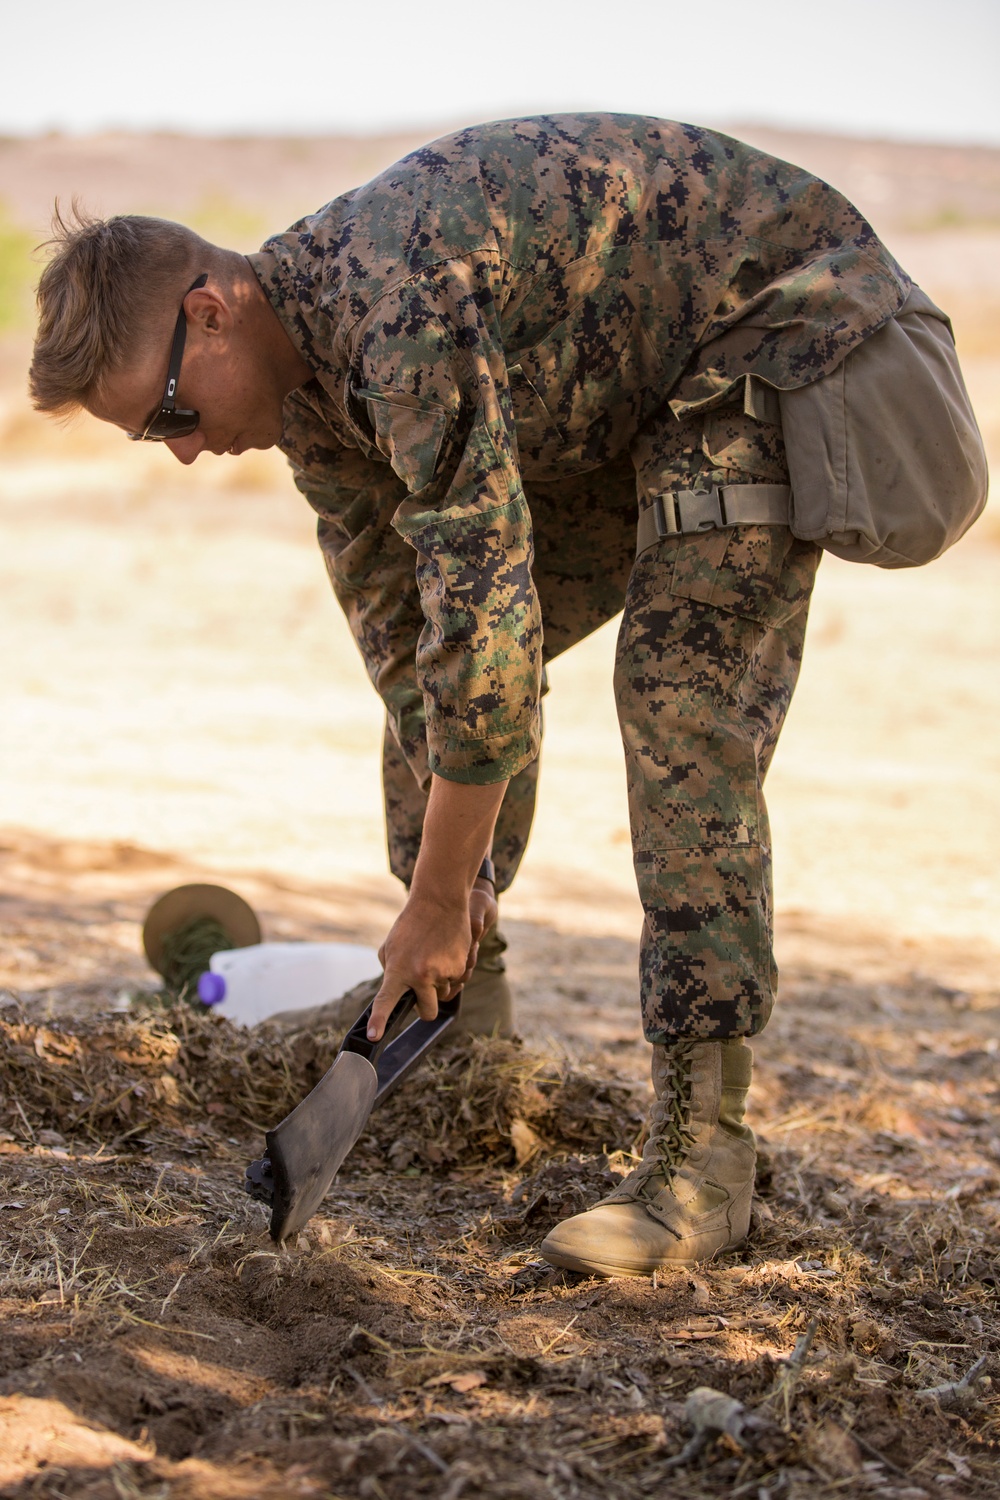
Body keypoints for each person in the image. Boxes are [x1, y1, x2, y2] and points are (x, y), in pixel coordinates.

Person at [28, 114, 986, 1277]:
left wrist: (438, 897)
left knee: (678, 702)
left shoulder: (391, 306)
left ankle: (704, 1161)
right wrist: (451, 891)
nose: (178, 453)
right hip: (630, 400)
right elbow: (414, 647)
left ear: (212, 310)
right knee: (434, 707)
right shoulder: (310, 399)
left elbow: (490, 635)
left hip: (772, 332)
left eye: (170, 414)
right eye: (150, 439)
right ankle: (462, 1047)